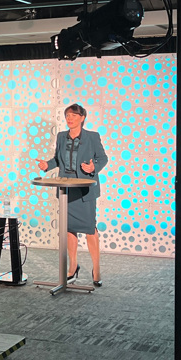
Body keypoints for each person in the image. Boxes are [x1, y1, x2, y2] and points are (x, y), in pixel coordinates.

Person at [35, 104, 108, 286]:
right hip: (66, 188)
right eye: (67, 115)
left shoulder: (92, 137)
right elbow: (58, 159)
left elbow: (102, 158)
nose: (70, 118)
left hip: (85, 189)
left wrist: (93, 168)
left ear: (82, 118)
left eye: (74, 115)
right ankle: (73, 266)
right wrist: (47, 165)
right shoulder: (61, 136)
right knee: (69, 229)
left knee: (90, 228)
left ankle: (96, 268)